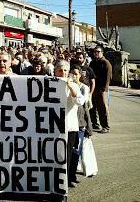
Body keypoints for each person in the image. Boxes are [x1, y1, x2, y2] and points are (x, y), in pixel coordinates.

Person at [54, 60, 85, 188]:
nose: (63, 73)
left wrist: (70, 86)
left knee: (66, 156)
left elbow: (80, 101)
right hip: (53, 127)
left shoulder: (74, 85)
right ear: (55, 71)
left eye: (65, 70)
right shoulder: (49, 83)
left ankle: (63, 185)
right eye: (60, 70)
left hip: (69, 127)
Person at [89, 46, 112, 133]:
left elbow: (108, 77)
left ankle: (105, 126)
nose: (96, 53)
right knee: (92, 107)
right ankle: (94, 123)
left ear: (102, 52)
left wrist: (104, 89)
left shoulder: (106, 63)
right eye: (95, 51)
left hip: (102, 89)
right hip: (93, 88)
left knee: (102, 108)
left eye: (98, 52)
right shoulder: (92, 63)